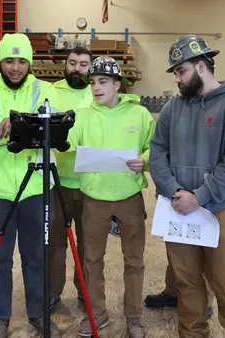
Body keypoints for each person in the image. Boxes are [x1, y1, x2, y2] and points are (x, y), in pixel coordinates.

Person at [149, 35, 225, 338]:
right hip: (178, 209)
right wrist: (173, 191)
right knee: (187, 283)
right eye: (175, 74)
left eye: (181, 71)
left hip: (219, 210)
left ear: (201, 65)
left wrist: (200, 197)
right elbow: (157, 152)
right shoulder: (173, 108)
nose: (178, 79)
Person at [0, 33, 61, 338]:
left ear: (30, 63)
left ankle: (37, 314)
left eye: (22, 61)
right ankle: (0, 316)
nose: (16, 67)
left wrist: (13, 127)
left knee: (36, 256)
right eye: (10, 60)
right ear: (0, 61)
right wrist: (25, 130)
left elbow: (51, 132)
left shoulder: (45, 89)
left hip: (36, 187)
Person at [67, 56, 155, 338]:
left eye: (103, 81)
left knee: (135, 260)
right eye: (92, 82)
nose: (96, 87)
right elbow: (67, 144)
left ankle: (134, 316)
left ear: (117, 84)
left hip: (129, 196)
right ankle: (97, 314)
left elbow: (154, 147)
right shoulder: (82, 115)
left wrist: (145, 159)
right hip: (93, 197)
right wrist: (53, 131)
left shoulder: (139, 115)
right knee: (92, 259)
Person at [49, 46, 94, 311]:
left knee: (88, 246)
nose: (77, 68)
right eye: (73, 63)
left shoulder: (98, 92)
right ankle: (53, 292)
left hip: (90, 184)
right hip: (58, 181)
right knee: (55, 244)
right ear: (65, 65)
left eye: (84, 64)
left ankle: (84, 293)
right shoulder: (51, 91)